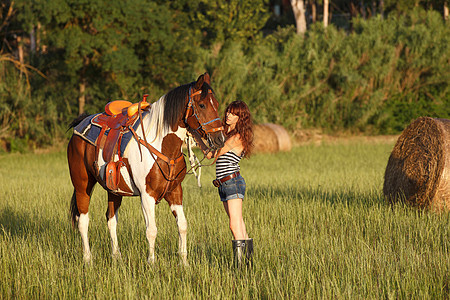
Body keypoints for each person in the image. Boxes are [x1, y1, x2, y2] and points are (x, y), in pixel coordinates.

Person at [205, 100, 254, 267]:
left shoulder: (236, 138)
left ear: (240, 117)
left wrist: (197, 141)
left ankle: (240, 267)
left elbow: (213, 154)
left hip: (232, 182)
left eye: (233, 114)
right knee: (238, 223)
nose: (228, 115)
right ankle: (247, 265)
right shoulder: (228, 135)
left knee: (234, 224)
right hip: (224, 184)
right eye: (228, 112)